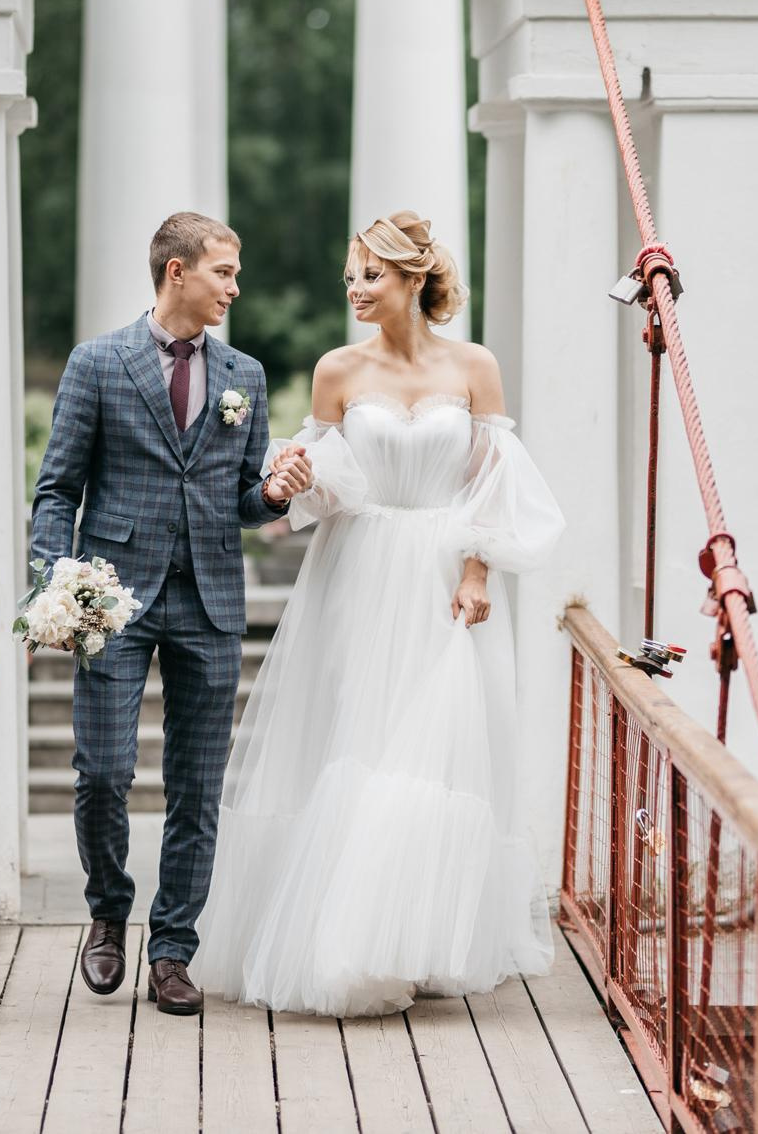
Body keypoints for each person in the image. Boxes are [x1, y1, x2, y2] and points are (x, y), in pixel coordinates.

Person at [190, 210, 565, 1016]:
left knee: (436, 751)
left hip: (442, 576)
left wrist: (477, 569)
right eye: (350, 278)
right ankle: (350, 945)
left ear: (413, 278)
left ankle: (419, 937)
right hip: (356, 571)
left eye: (371, 275)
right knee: (358, 736)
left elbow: (490, 481)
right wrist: (296, 477)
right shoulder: (337, 370)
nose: (356, 289)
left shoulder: (475, 365)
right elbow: (328, 483)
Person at [30, 210, 314, 1016]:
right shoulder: (97, 363)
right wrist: (57, 581)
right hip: (112, 599)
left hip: (210, 599)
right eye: (224, 272)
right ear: (176, 272)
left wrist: (274, 493)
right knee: (102, 773)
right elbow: (58, 488)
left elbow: (244, 499)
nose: (235, 287)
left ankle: (172, 950)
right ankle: (107, 912)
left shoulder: (245, 374)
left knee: (196, 787)